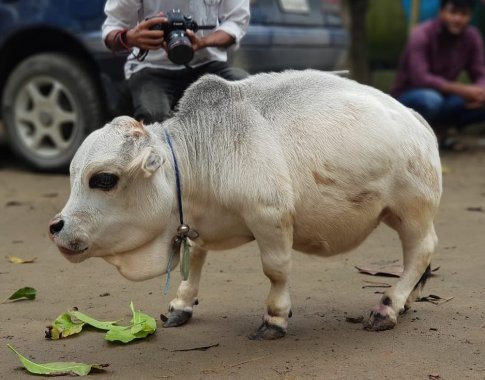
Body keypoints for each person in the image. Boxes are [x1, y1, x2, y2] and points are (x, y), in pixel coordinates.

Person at [102, 0, 250, 124]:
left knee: (250, 93)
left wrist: (203, 42)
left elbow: (236, 22)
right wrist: (129, 38)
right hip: (151, 67)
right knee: (153, 118)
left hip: (207, 62)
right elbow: (112, 29)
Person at [391, 0, 485, 150]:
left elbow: (480, 72)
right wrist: (464, 90)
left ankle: (439, 134)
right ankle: (412, 140)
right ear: (441, 12)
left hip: (446, 98)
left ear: (470, 16)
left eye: (463, 14)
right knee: (431, 100)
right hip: (408, 96)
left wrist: (480, 92)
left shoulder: (472, 36)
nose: (457, 19)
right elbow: (420, 78)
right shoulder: (421, 33)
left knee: (461, 101)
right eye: (453, 12)